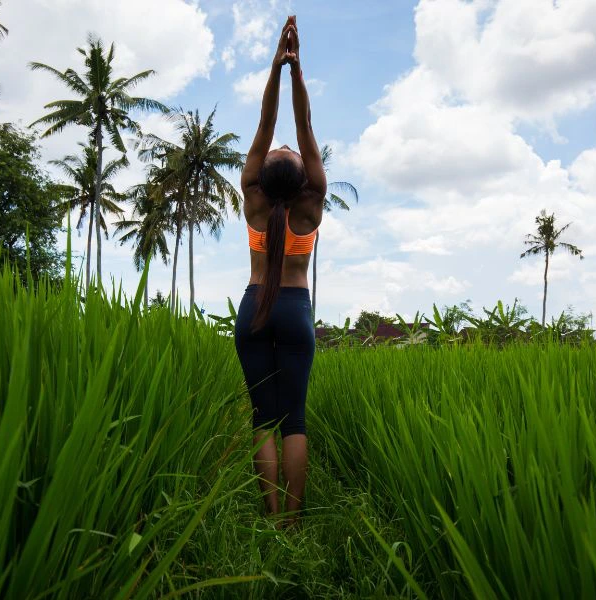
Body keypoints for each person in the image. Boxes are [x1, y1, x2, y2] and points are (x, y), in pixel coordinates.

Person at [234, 15, 327, 530]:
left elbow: (265, 126)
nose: (282, 143)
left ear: (266, 175)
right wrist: (297, 70)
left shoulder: (253, 200)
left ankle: (270, 517)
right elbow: (303, 127)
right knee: (294, 419)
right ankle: (291, 521)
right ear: (300, 175)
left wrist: (276, 66)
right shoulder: (309, 206)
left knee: (262, 418)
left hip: (254, 307)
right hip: (295, 310)